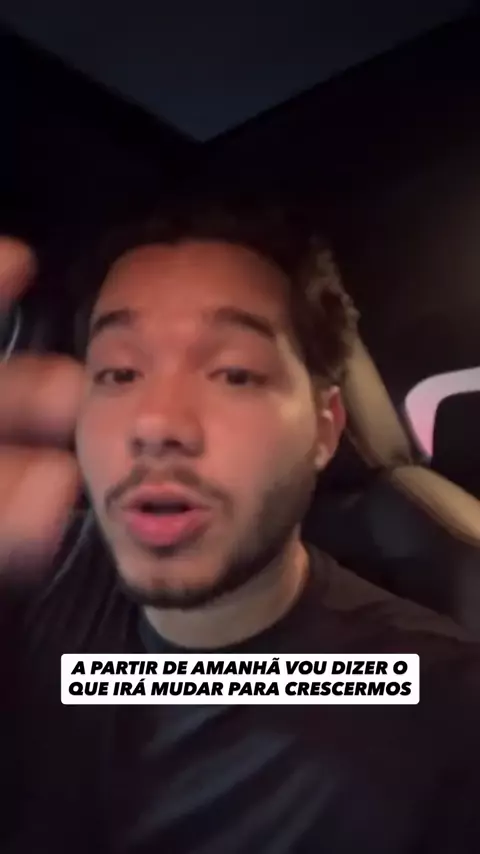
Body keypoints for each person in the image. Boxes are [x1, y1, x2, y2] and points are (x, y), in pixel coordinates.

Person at [0, 200, 479, 854]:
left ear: (324, 429)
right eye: (118, 372)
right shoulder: (29, 574)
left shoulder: (438, 707)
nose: (156, 423)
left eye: (235, 373)